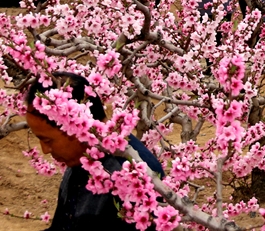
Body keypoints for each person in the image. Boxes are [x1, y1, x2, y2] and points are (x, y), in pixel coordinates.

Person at [25, 72, 164, 230]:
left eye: (47, 140)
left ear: (75, 123)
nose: (45, 150)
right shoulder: (83, 158)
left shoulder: (132, 176)